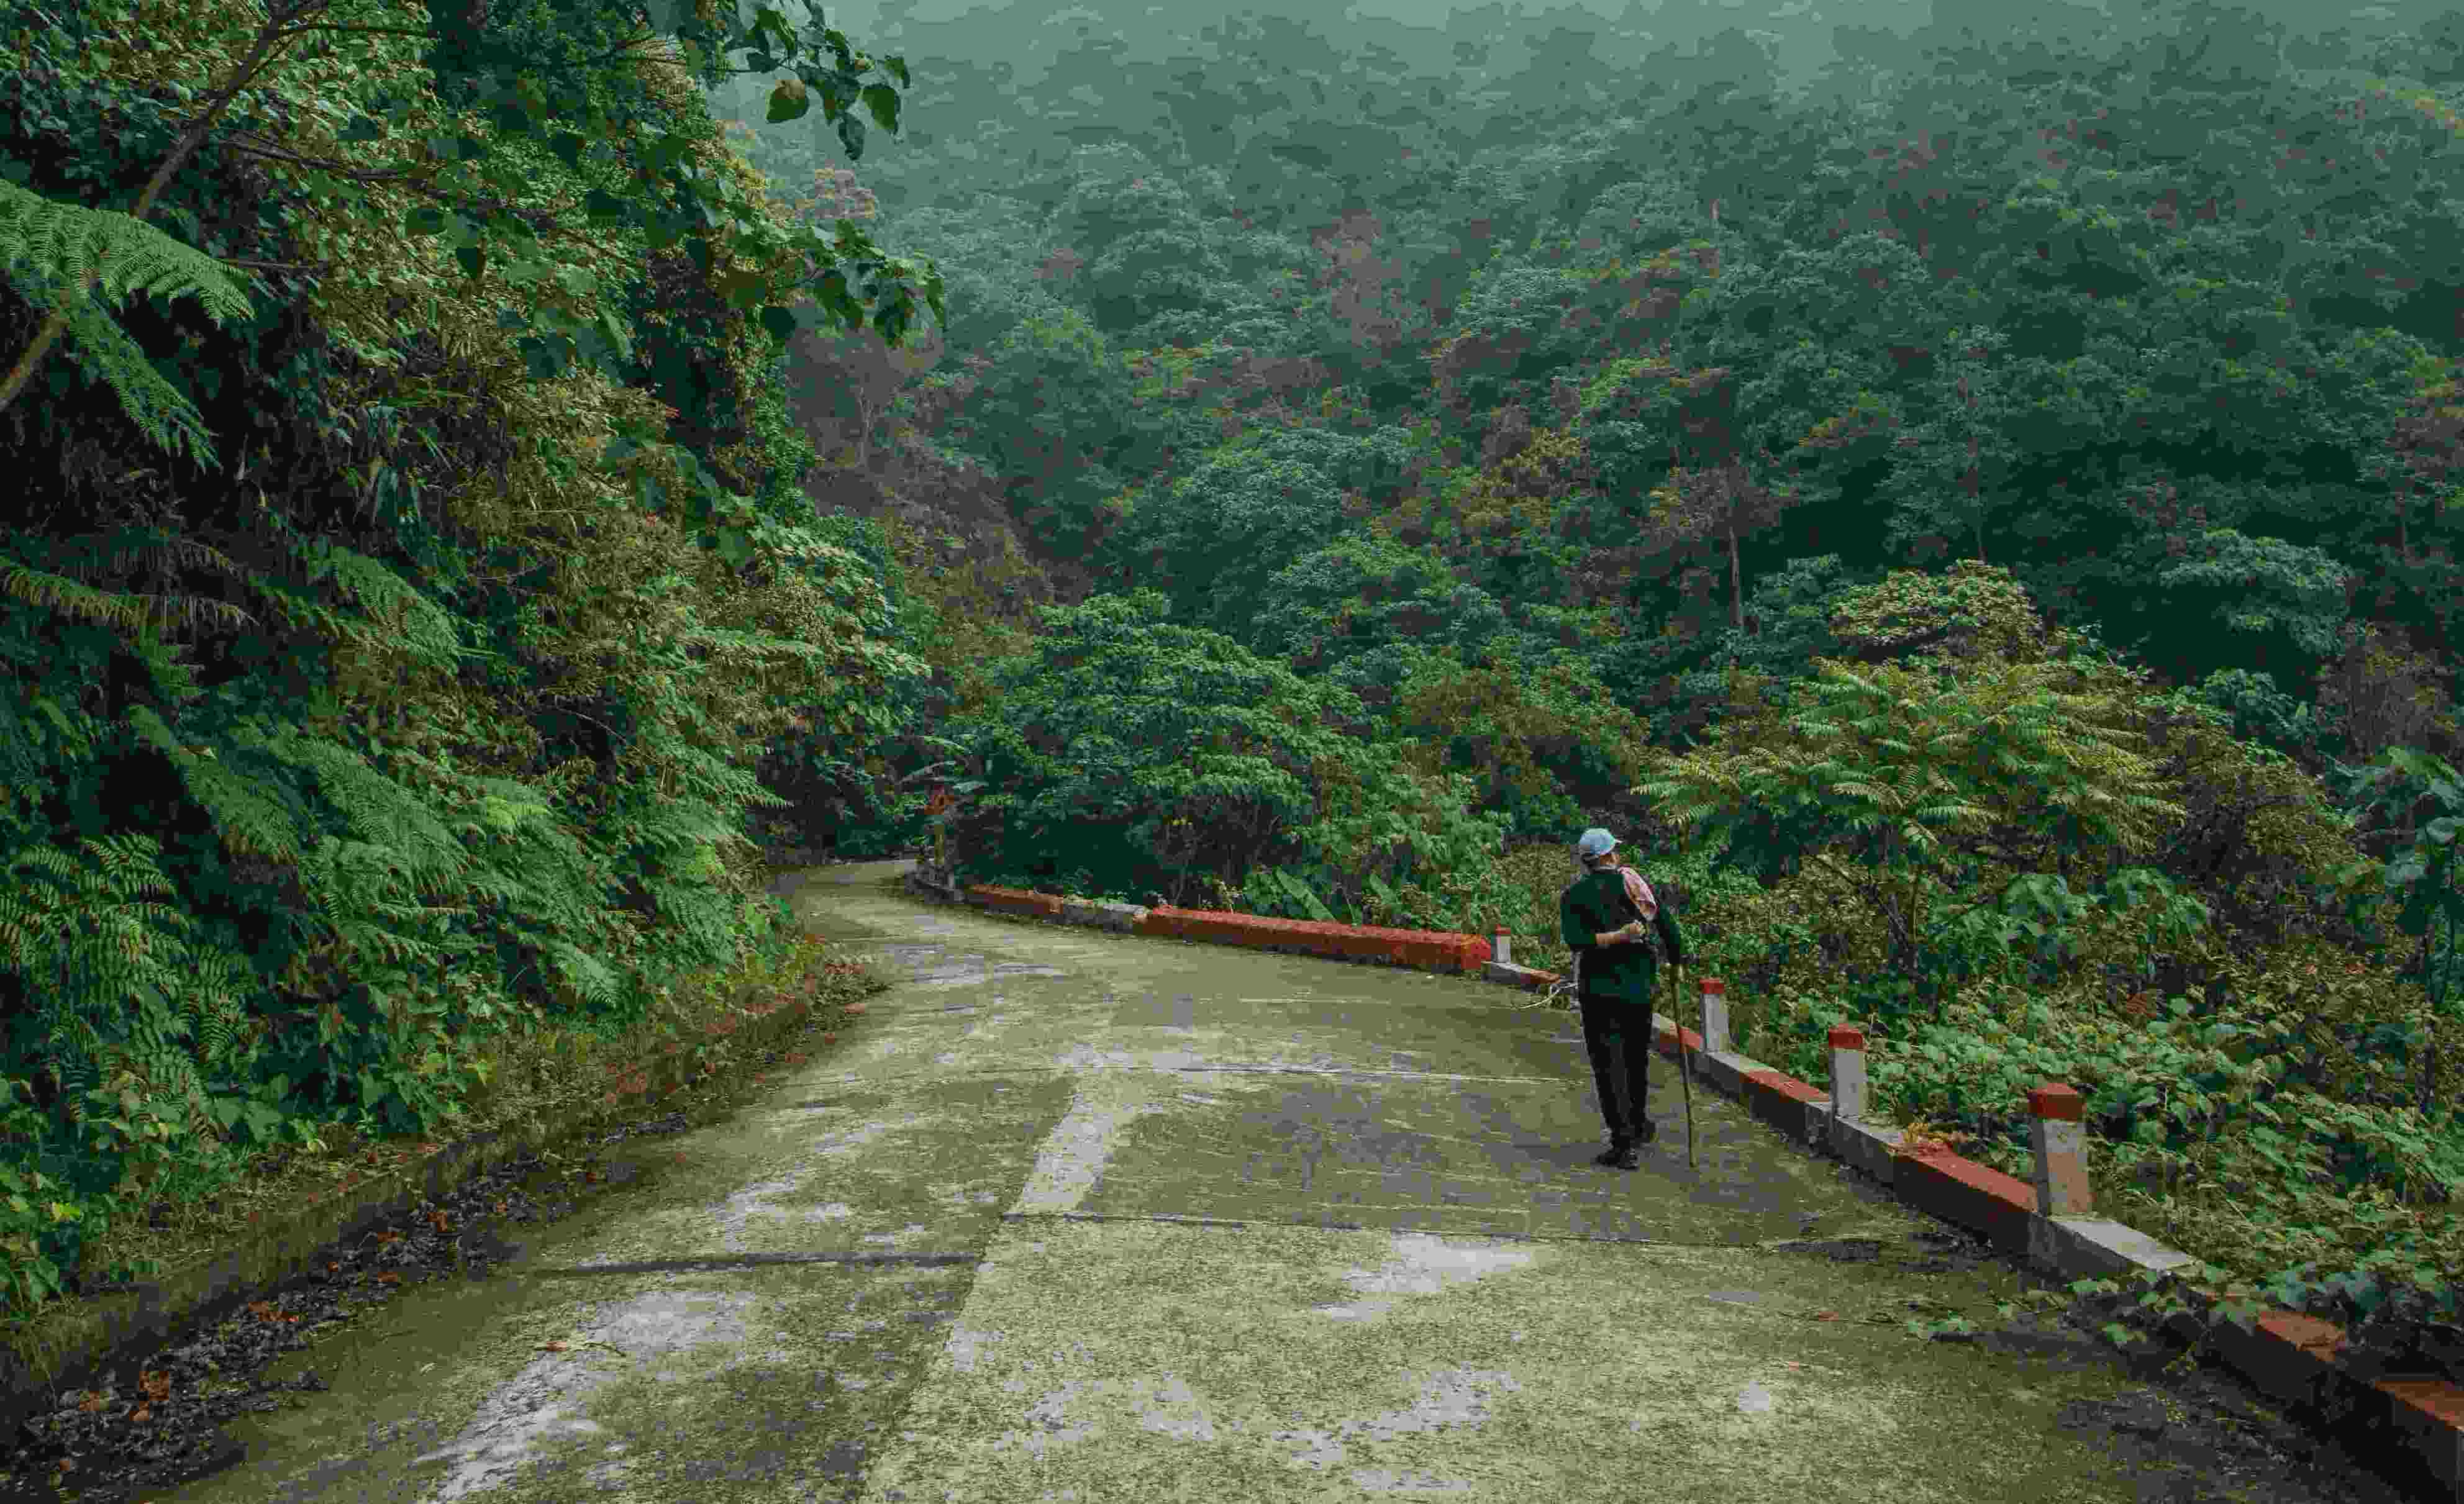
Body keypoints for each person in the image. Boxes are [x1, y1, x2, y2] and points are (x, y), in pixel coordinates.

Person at [1559, 827, 1688, 1169]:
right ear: (1611, 855)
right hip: (1637, 987)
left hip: (1599, 991)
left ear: (1587, 861)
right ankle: (1638, 1125)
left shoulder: (1574, 895)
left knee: (1608, 1065)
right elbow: (1668, 928)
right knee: (1635, 1059)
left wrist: (1613, 937)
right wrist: (1676, 963)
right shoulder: (1635, 886)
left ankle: (1623, 1142)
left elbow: (1577, 941)